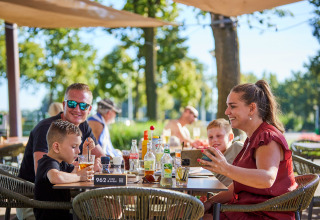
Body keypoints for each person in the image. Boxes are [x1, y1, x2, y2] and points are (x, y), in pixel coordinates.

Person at [200, 80, 297, 220]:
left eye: (232, 106)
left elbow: (267, 178)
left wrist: (226, 168)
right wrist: (210, 202)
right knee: (183, 212)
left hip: (262, 215)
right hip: (246, 210)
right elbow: (239, 185)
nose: (227, 112)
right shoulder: (253, 138)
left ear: (252, 108)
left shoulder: (267, 137)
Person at [18, 83, 104, 183]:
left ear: (89, 109)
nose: (77, 109)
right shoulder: (47, 128)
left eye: (83, 105)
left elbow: (101, 157)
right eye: (72, 103)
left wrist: (96, 163)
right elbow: (42, 174)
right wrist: (81, 171)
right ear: (64, 105)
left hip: (71, 189)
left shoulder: (83, 125)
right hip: (34, 193)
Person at [34, 120, 94, 220]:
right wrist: (80, 177)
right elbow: (55, 177)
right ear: (56, 147)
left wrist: (85, 152)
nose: (78, 151)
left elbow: (77, 171)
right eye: (74, 146)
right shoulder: (47, 162)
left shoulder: (62, 162)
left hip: (63, 214)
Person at [205, 118, 243, 186]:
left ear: (230, 137)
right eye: (211, 137)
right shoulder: (212, 157)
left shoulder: (237, 148)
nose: (214, 140)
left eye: (219, 136)